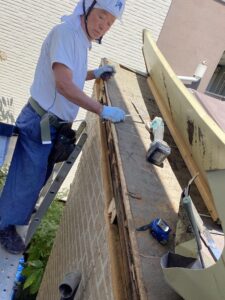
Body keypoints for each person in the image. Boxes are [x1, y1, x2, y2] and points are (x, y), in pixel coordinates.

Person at [0, 0, 126, 254]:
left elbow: (73, 74)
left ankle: (18, 212)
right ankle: (4, 226)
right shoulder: (65, 33)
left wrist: (95, 73)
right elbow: (64, 85)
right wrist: (102, 110)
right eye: (101, 16)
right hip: (40, 121)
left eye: (110, 23)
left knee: (39, 176)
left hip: (52, 125)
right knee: (27, 177)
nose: (103, 26)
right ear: (88, 8)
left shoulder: (80, 39)